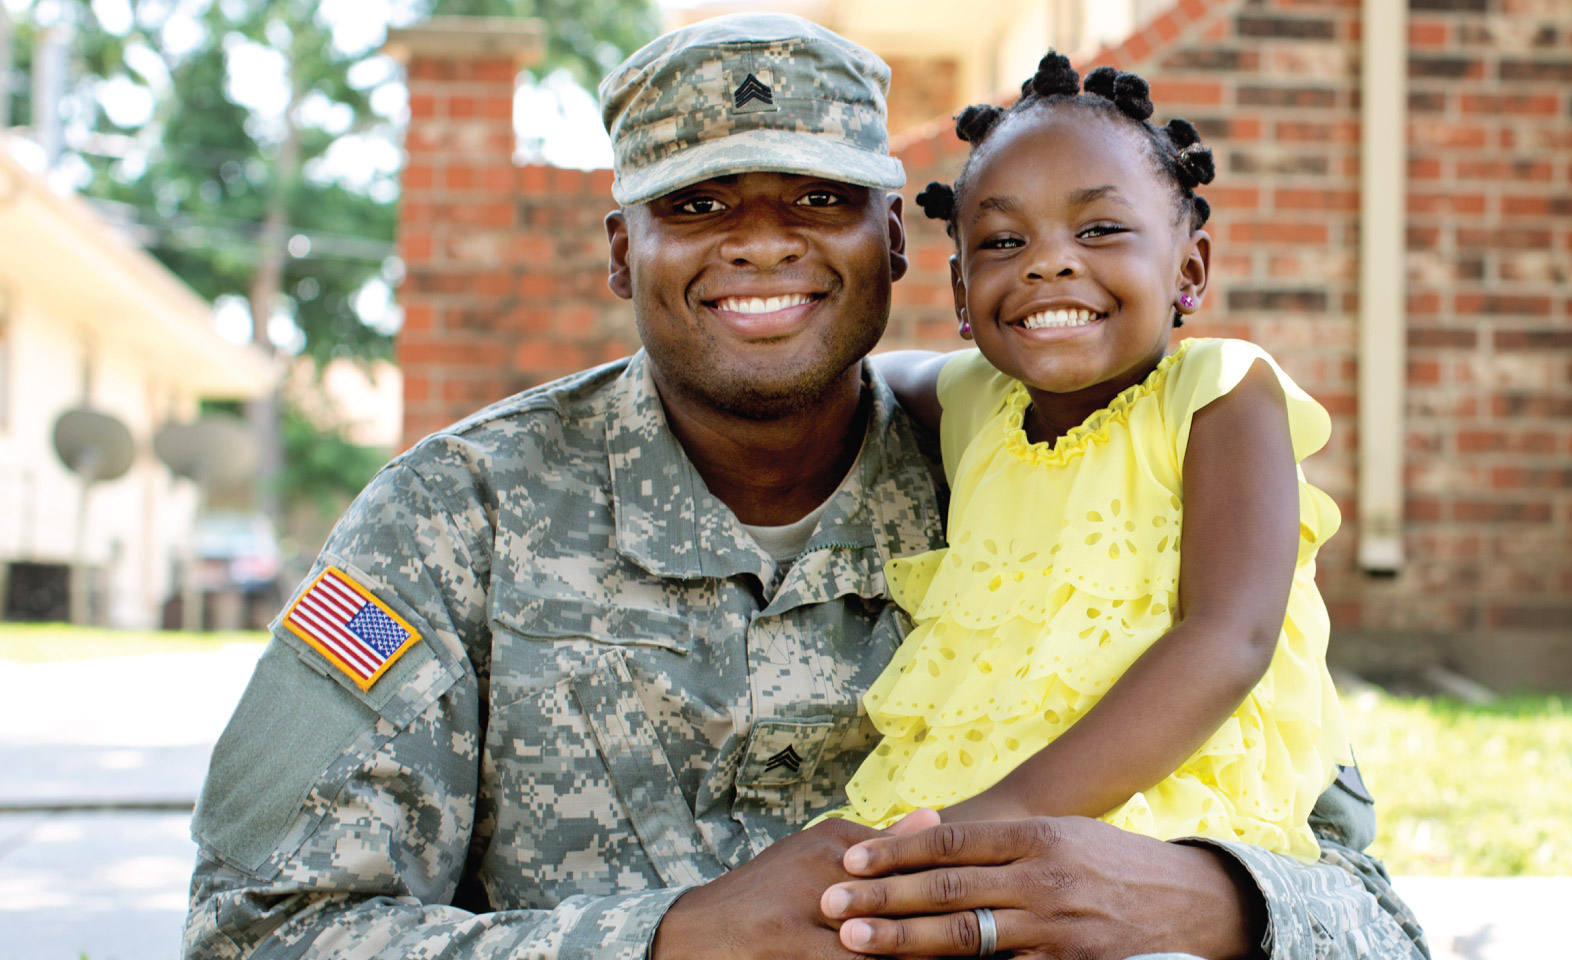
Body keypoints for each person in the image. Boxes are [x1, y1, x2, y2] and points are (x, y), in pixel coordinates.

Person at [183, 13, 1427, 960]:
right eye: (700, 202)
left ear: (896, 243)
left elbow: (1374, 915)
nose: (764, 240)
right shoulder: (461, 516)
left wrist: (1197, 898)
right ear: (625, 250)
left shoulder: (1055, 474)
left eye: (822, 200)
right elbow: (257, 925)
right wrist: (664, 940)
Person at [819, 51, 1347, 867]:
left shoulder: (1219, 394)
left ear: (1189, 269)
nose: (1049, 261)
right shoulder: (980, 404)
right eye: (1002, 240)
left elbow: (1228, 639)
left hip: (1160, 798)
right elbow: (853, 374)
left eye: (1099, 229)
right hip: (967, 791)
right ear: (962, 296)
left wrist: (1005, 815)